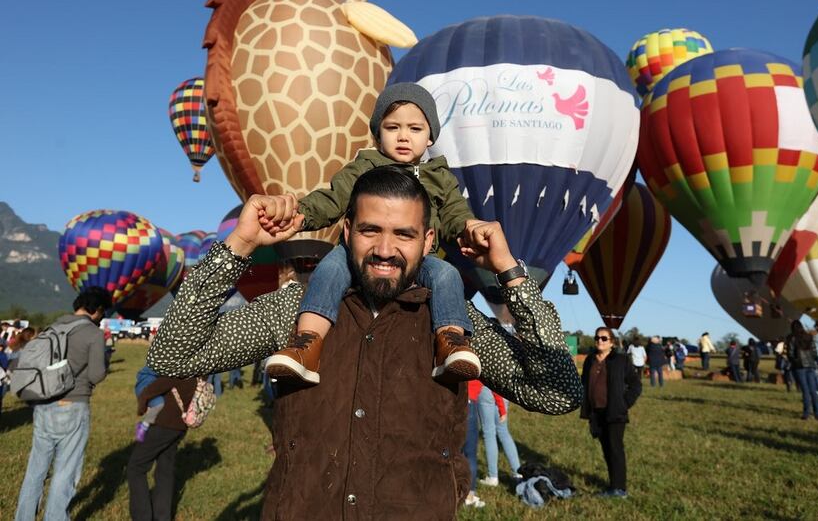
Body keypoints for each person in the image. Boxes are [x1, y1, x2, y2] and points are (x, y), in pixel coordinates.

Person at [146, 166, 582, 518]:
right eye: (371, 230)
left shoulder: (453, 324)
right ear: (347, 230)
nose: (386, 249)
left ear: (429, 241)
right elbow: (173, 353)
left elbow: (558, 392)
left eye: (404, 235)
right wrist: (239, 244)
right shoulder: (296, 310)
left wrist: (509, 272)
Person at [265, 83, 485, 386]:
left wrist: (470, 228)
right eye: (393, 127)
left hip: (418, 259)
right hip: (357, 255)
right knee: (329, 268)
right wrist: (300, 214)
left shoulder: (440, 176)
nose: (404, 136)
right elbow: (333, 197)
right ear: (377, 133)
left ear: (431, 136)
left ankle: (450, 343)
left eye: (415, 128)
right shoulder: (364, 166)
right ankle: (308, 344)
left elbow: (455, 214)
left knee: (447, 273)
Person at [14, 287, 111, 521]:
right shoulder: (93, 333)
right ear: (97, 310)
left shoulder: (53, 327)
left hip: (43, 403)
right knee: (65, 472)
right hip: (74, 404)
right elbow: (97, 374)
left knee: (36, 470)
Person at [126, 374, 198, 521]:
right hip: (179, 425)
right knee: (164, 471)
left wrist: (143, 400)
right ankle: (162, 516)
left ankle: (142, 516)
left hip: (164, 423)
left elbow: (162, 384)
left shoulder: (181, 365)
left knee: (136, 467)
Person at [580, 327, 641, 498]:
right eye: (597, 338)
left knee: (615, 449)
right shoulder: (590, 360)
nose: (600, 341)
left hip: (614, 413)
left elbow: (636, 385)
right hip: (596, 412)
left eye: (604, 338)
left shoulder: (621, 360)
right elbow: (583, 383)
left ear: (612, 342)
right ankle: (613, 483)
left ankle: (619, 489)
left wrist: (624, 403)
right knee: (606, 448)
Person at [477, 384, 522, 486]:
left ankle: (492, 476)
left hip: (486, 389)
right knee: (503, 431)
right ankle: (518, 471)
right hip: (503, 389)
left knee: (489, 434)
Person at [786, 321, 818, 420]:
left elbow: (790, 353)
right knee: (813, 390)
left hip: (799, 366)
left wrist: (794, 361)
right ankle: (817, 414)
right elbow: (814, 352)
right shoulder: (809, 337)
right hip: (810, 365)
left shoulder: (792, 338)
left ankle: (806, 413)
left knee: (805, 390)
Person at [462, 385, 486, 509]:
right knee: (470, 454)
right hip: (469, 401)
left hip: (449, 401)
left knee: (450, 451)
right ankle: (469, 496)